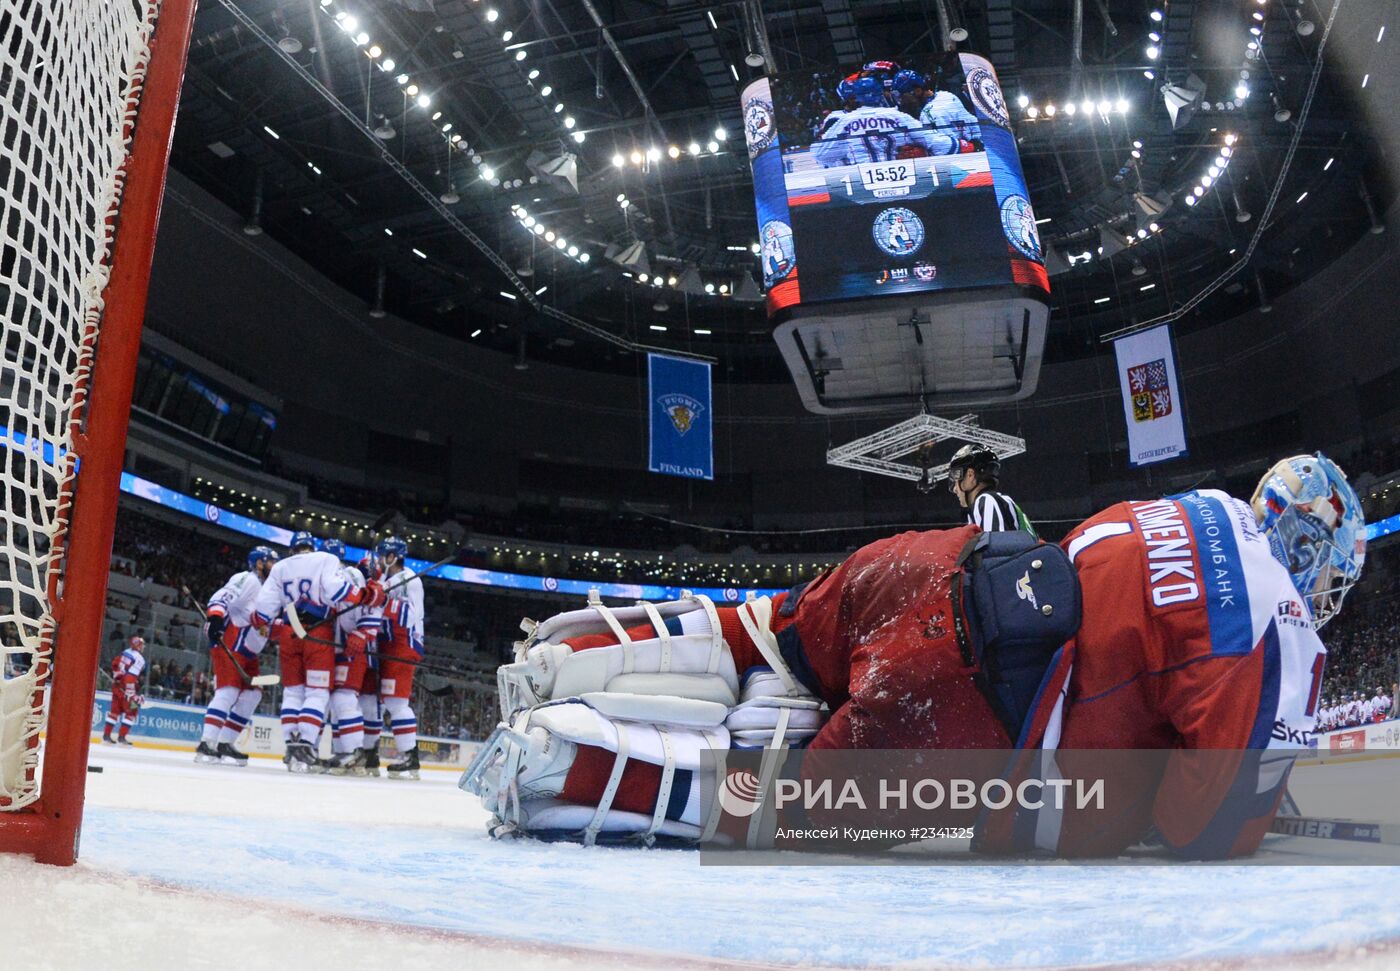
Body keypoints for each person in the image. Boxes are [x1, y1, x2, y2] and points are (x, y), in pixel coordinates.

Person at [466, 452, 1365, 859]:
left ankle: (568, 654)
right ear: (1317, 558)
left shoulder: (1201, 503)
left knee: (766, 633)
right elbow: (1206, 826)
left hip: (926, 565)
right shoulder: (1279, 620)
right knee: (779, 802)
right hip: (969, 710)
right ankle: (562, 764)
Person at [252, 532, 384, 773]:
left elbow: (261, 611)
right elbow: (346, 595)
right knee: (319, 694)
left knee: (296, 694)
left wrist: (363, 633)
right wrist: (367, 596)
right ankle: (309, 746)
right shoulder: (329, 564)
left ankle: (301, 750)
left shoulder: (282, 566)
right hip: (321, 635)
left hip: (294, 630)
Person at [195, 545, 279, 766]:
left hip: (250, 651)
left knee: (253, 695)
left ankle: (225, 743)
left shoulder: (270, 590)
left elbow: (267, 622)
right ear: (259, 563)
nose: (275, 566)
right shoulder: (248, 579)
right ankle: (207, 743)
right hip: (232, 642)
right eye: (271, 561)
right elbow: (223, 596)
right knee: (228, 691)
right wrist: (214, 618)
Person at [321, 540, 383, 775]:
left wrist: (361, 633)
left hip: (353, 648)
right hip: (339, 648)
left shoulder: (350, 575)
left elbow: (371, 607)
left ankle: (356, 752)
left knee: (344, 699)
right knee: (338, 701)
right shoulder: (344, 575)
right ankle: (344, 752)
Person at [810, 74, 953, 167]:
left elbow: (821, 156)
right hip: (902, 178)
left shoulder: (844, 121)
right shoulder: (898, 116)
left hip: (858, 184)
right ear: (880, 94)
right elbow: (942, 145)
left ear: (857, 97)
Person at [374, 536, 425, 780]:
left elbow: (407, 616)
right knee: (383, 701)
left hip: (402, 645)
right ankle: (372, 751)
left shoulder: (405, 579)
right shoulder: (391, 580)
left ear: (392, 556)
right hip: (391, 644)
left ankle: (409, 757)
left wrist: (378, 601)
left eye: (382, 554)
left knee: (396, 703)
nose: (379, 559)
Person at [947, 444, 1036, 536]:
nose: (954, 489)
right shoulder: (993, 501)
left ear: (970, 475)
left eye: (957, 478)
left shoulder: (987, 500)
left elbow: (998, 548)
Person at [103, 635, 146, 745]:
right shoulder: (139, 658)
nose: (143, 647)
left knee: (114, 712)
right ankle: (122, 738)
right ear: (138, 646)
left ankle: (106, 736)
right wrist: (131, 693)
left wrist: (116, 677)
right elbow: (130, 677)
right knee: (132, 711)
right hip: (127, 687)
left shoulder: (125, 652)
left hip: (117, 686)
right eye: (142, 645)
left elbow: (115, 664)